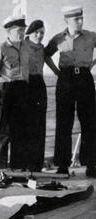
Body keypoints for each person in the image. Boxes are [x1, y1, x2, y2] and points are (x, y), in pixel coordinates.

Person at [44, 5, 96, 177]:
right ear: (67, 21)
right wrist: (56, 72)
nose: (80, 21)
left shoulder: (91, 36)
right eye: (76, 19)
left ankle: (91, 164)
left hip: (85, 79)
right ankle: (63, 165)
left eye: (81, 18)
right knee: (63, 123)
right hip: (65, 80)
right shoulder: (58, 38)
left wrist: (91, 64)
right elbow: (46, 54)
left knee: (89, 122)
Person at [0, 14, 31, 170]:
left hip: (23, 91)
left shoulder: (26, 47)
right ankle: (0, 170)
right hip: (5, 91)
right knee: (3, 134)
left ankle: (18, 169)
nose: (22, 32)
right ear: (9, 31)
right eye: (19, 30)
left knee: (20, 133)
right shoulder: (0, 48)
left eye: (23, 29)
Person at [25, 20, 48, 171]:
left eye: (42, 33)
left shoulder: (42, 48)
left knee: (40, 126)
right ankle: (26, 165)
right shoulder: (22, 45)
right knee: (26, 126)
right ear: (29, 33)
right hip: (25, 86)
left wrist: (58, 72)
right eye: (36, 33)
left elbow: (48, 59)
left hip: (39, 84)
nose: (39, 36)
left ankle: (37, 165)